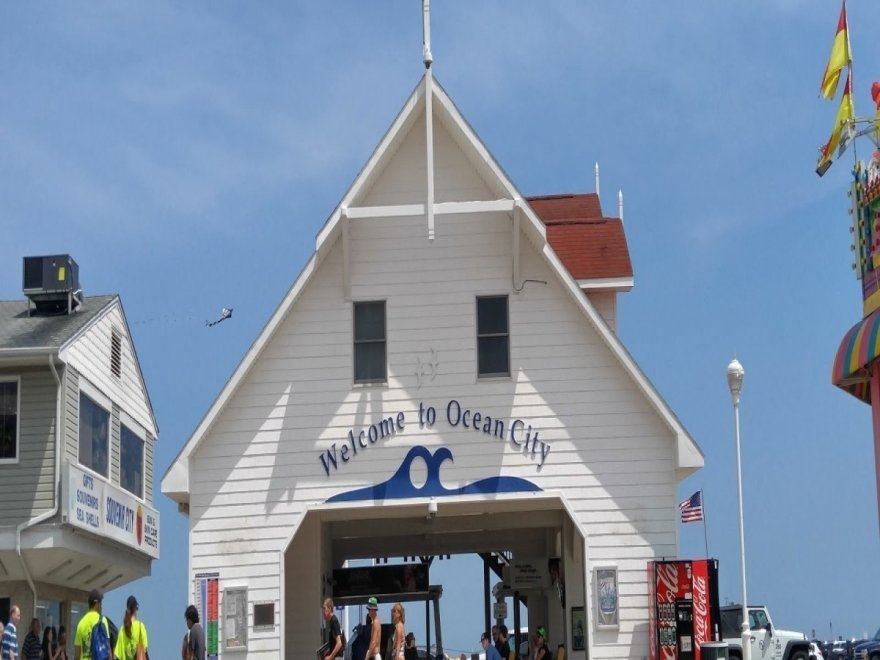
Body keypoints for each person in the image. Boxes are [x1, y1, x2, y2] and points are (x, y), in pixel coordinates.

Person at [74, 589, 112, 660]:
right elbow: (108, 650)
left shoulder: (81, 623)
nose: (101, 606)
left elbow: (77, 655)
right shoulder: (102, 620)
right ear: (97, 603)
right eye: (100, 603)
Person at [114, 596, 147, 660]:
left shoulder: (122, 629)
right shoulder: (140, 626)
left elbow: (118, 655)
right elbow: (144, 650)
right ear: (135, 608)